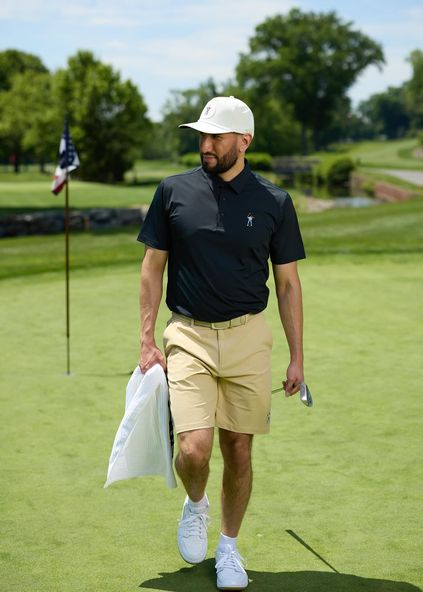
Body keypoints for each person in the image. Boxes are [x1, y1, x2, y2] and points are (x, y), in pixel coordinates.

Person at [137, 96, 305, 590]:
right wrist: (146, 340)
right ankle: (196, 505)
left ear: (244, 141)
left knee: (238, 449)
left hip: (248, 336)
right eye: (201, 136)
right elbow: (152, 269)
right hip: (187, 334)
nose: (205, 144)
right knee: (193, 448)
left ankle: (229, 547)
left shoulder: (274, 201)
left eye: (216, 136)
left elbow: (289, 284)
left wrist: (298, 356)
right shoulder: (173, 191)